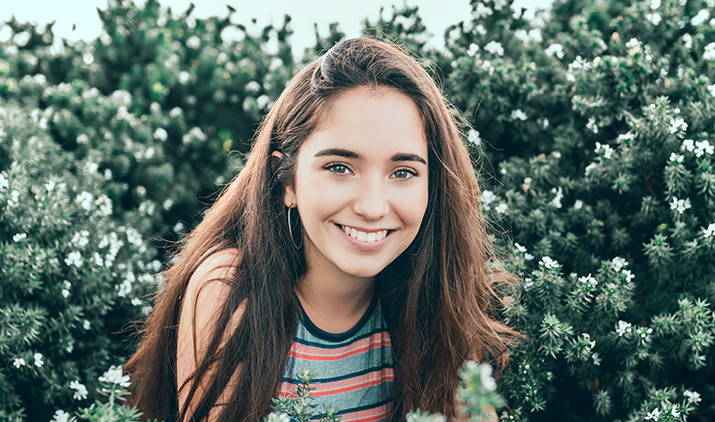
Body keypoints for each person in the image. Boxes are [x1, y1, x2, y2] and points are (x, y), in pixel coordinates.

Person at [124, 35, 524, 422]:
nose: (371, 206)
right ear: (287, 181)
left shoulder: (438, 297)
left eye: (403, 172)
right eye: (339, 167)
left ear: (432, 185)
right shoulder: (229, 289)